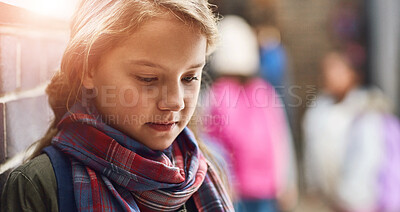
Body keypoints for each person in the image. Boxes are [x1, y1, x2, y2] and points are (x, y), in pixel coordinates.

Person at [0, 0, 234, 211]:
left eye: (189, 77)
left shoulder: (206, 169)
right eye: (148, 78)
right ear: (88, 69)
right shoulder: (40, 187)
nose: (175, 101)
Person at [204, 15, 297, 212]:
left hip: (236, 189)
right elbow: (280, 140)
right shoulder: (264, 91)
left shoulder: (217, 94)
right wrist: (286, 182)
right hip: (264, 189)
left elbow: (211, 142)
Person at [303, 50, 391, 212]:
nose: (329, 76)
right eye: (326, 71)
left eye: (336, 70)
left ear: (351, 73)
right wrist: (313, 185)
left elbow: (370, 157)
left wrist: (350, 195)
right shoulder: (318, 110)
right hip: (331, 199)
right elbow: (312, 149)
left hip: (362, 200)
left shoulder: (366, 108)